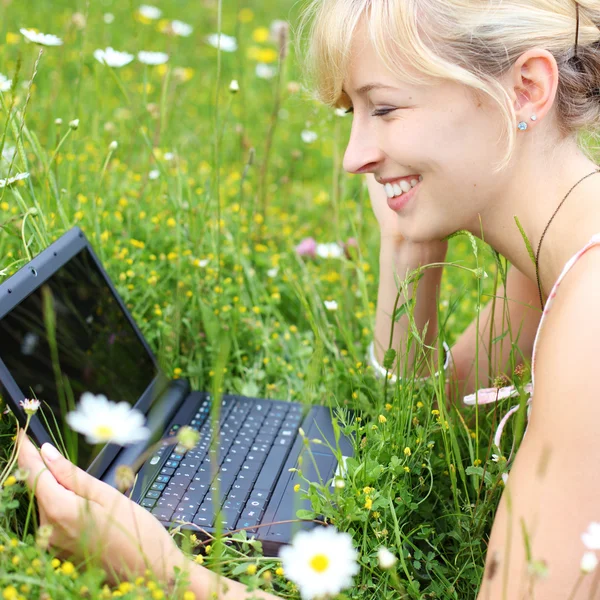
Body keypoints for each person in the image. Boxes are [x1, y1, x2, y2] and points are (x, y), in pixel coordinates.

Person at [16, 0, 600, 598]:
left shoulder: (591, 320)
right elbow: (431, 427)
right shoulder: (557, 261)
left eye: (386, 108)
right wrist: (406, 250)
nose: (354, 156)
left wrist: (159, 569)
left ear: (526, 89)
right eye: (354, 112)